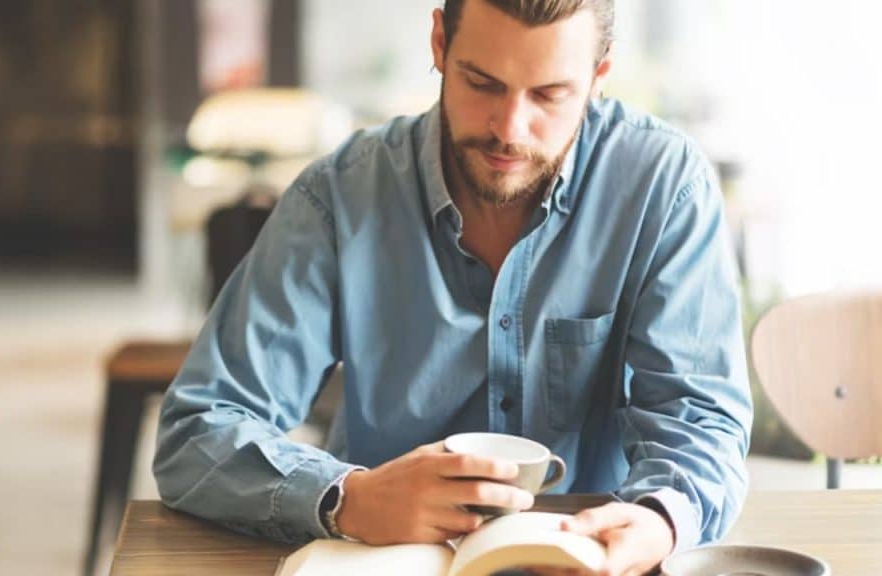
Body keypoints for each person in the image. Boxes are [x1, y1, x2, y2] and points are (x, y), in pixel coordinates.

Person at [153, 1, 753, 574]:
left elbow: (700, 418)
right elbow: (198, 427)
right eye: (483, 82)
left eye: (549, 94)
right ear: (440, 43)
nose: (509, 130)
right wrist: (349, 498)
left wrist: (657, 521)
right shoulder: (341, 195)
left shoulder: (662, 186)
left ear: (600, 74)